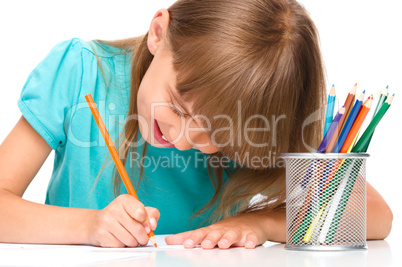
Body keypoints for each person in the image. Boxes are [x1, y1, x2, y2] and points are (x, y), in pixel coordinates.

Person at [0, 0, 393, 249]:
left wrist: (262, 222)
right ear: (159, 33)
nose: (184, 138)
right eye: (179, 106)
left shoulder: (268, 110)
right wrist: (90, 226)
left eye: (218, 136)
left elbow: (376, 214)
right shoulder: (81, 72)